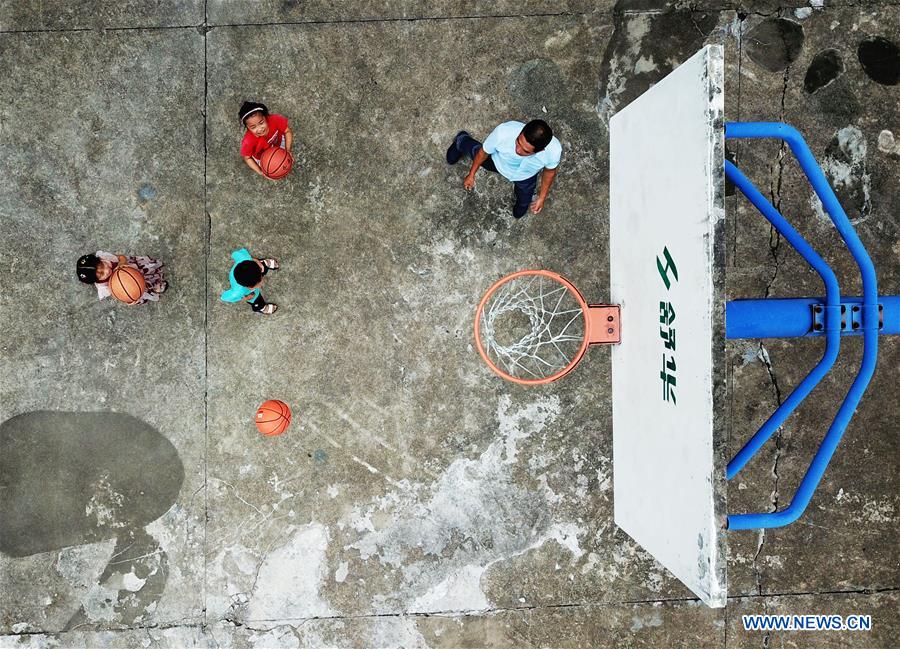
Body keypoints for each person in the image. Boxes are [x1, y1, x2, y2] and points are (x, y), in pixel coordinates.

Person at [446, 119, 562, 218]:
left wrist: (542, 197)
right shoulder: (503, 132)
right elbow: (483, 153)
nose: (518, 150)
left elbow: (549, 171)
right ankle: (461, 140)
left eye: (525, 151)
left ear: (541, 150)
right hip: (497, 162)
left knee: (523, 203)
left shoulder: (553, 151)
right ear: (522, 131)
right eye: (518, 142)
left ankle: (521, 206)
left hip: (525, 176)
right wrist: (471, 175)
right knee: (475, 151)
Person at [76, 251, 167, 305]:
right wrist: (128, 300)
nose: (107, 270)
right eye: (101, 274)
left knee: (140, 270)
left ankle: (153, 271)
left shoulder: (104, 257)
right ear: (96, 281)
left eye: (102, 265)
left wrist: (122, 263)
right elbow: (118, 294)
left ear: (100, 260)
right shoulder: (103, 287)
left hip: (130, 268)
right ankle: (153, 286)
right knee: (139, 288)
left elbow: (121, 257)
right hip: (129, 286)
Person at [238, 101, 294, 179]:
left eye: (261, 122)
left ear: (265, 117)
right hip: (262, 157)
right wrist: (260, 171)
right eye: (253, 127)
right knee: (273, 168)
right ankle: (274, 170)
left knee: (283, 163)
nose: (260, 129)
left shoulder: (275, 119)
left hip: (279, 143)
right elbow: (247, 157)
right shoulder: (248, 141)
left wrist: (288, 150)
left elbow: (287, 131)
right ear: (247, 127)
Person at [220, 248, 280, 315]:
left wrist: (256, 261)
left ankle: (262, 264)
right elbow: (224, 297)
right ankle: (261, 307)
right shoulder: (238, 292)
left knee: (260, 268)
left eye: (261, 279)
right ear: (247, 287)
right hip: (251, 294)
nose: (262, 283)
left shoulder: (245, 259)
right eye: (258, 284)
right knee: (256, 300)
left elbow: (235, 253)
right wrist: (244, 298)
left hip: (252, 267)